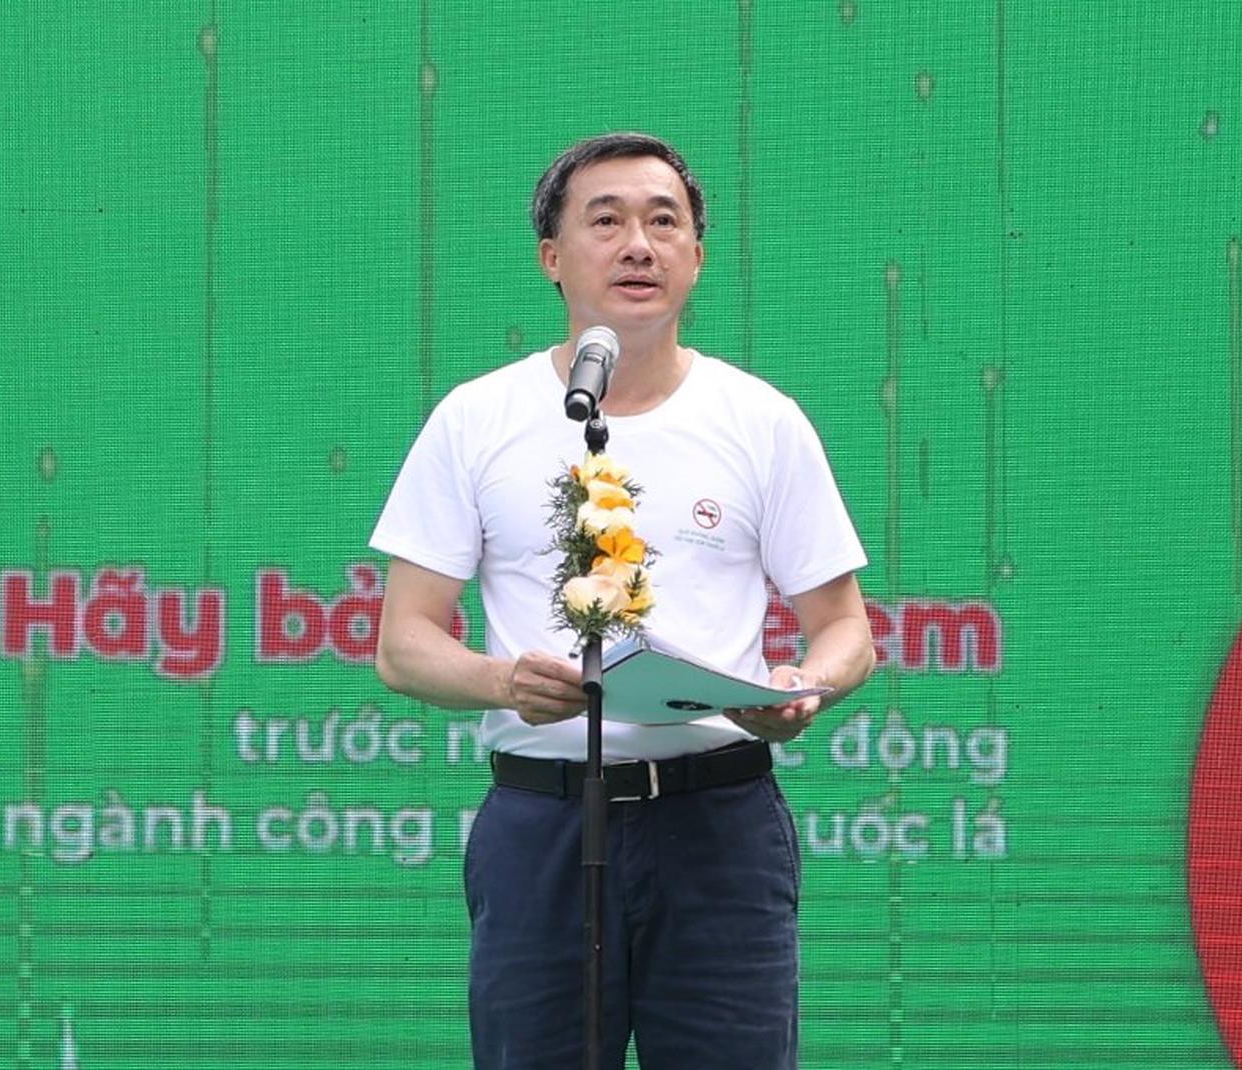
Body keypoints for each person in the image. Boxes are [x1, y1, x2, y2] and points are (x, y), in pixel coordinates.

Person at [371, 131, 875, 1070]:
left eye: (663, 222)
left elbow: (846, 627)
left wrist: (800, 685)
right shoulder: (477, 419)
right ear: (552, 257)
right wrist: (504, 682)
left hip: (717, 824)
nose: (638, 245)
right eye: (606, 222)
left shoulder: (759, 420)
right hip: (544, 824)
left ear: (697, 257)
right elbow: (403, 643)